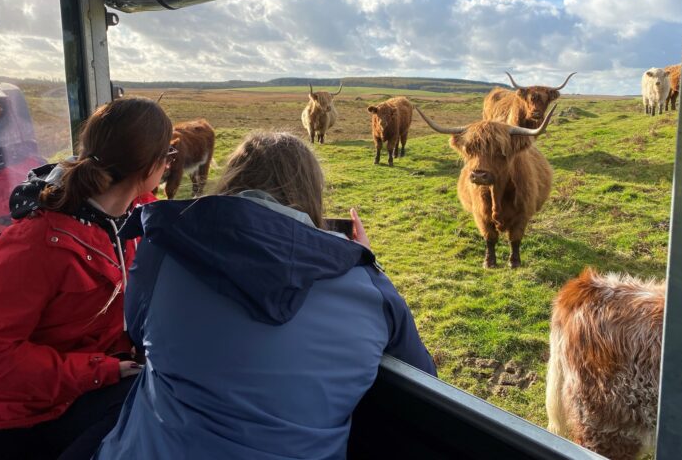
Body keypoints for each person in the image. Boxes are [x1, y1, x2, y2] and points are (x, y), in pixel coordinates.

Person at [95, 131, 436, 459]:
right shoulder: (368, 286)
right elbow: (426, 385)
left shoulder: (164, 249)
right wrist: (365, 264)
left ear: (231, 182)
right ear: (311, 194)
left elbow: (137, 331)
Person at [0, 97, 174, 460]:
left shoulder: (137, 219)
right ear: (152, 164)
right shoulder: (38, 242)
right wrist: (100, 370)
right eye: (169, 156)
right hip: (5, 419)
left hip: (80, 396)